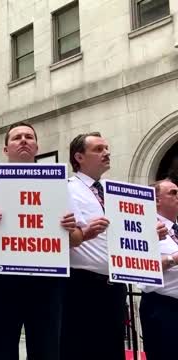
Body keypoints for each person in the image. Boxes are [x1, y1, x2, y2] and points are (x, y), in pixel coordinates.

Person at [0, 122, 82, 360]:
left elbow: (76, 239)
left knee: (46, 346)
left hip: (47, 278)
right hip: (3, 277)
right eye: (17, 137)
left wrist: (69, 229)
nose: (23, 140)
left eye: (29, 137)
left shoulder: (59, 184)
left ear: (37, 147)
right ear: (6, 149)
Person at [62, 132, 166, 360]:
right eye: (98, 149)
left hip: (114, 286)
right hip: (80, 285)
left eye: (107, 148)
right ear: (79, 156)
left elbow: (127, 234)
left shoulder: (115, 192)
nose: (106, 153)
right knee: (79, 350)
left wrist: (150, 235)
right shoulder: (66, 188)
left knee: (111, 350)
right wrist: (84, 232)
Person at [139, 179, 178, 360]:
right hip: (163, 309)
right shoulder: (144, 228)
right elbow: (139, 266)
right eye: (173, 192)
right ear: (156, 200)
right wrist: (173, 259)